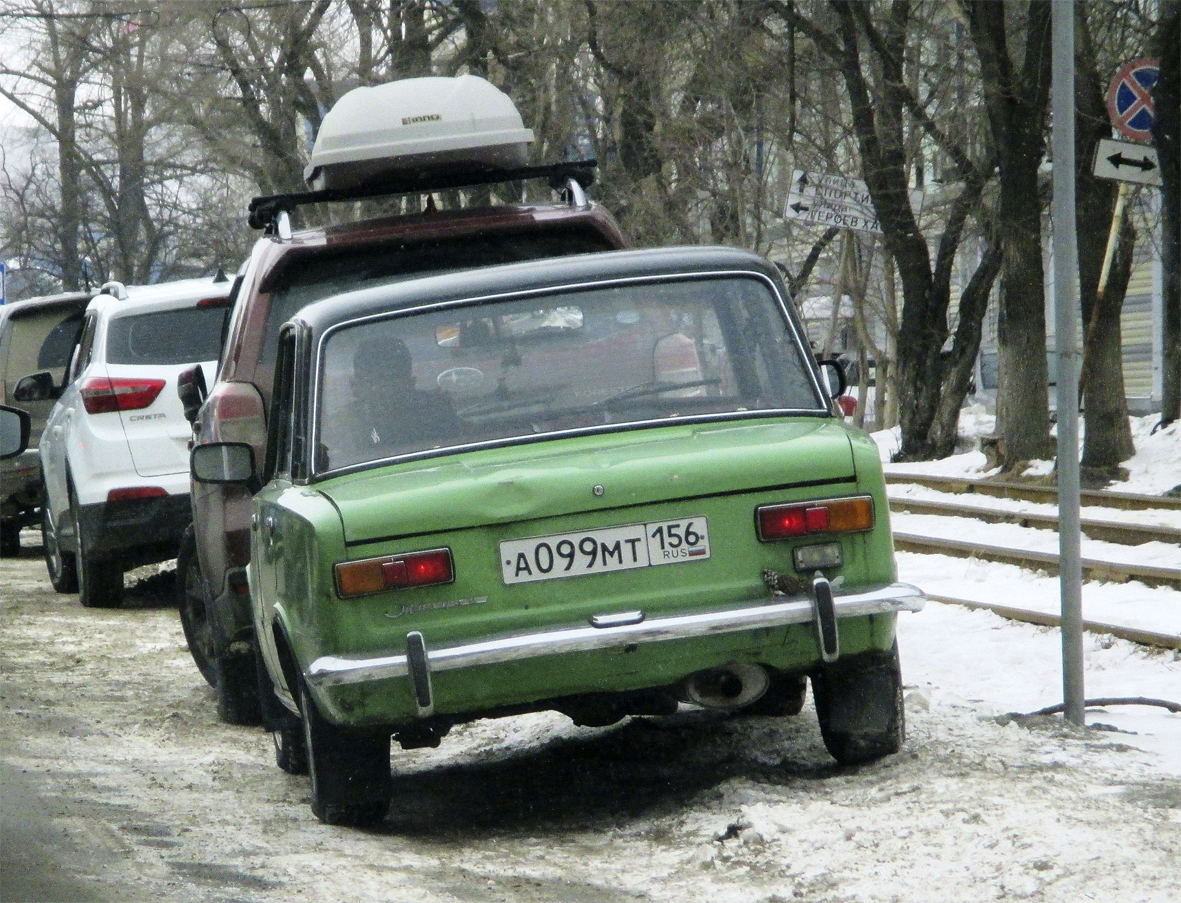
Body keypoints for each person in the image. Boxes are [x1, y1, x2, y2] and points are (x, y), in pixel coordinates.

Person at [350, 334, 464, 454]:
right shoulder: (345, 427)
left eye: (391, 379)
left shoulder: (437, 411)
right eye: (372, 381)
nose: (381, 388)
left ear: (410, 383)